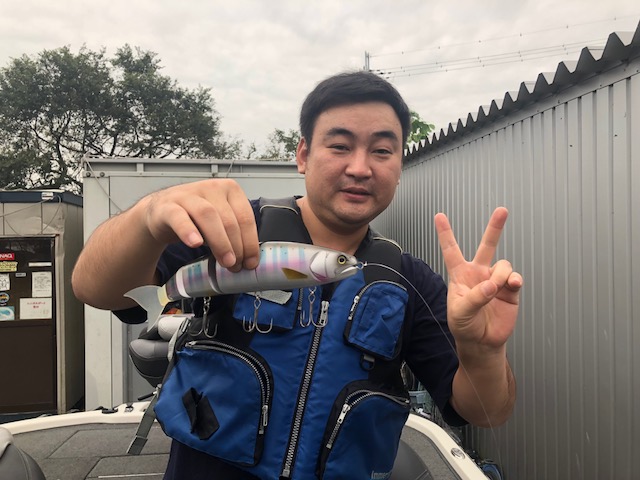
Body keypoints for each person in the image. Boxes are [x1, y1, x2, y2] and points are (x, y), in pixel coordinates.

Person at [72, 71, 520, 479]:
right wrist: (148, 216)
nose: (360, 167)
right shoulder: (230, 228)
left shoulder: (410, 281)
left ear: (399, 166)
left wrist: (483, 352)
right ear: (303, 154)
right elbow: (91, 287)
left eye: (382, 151)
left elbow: (486, 412)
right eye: (340, 145)